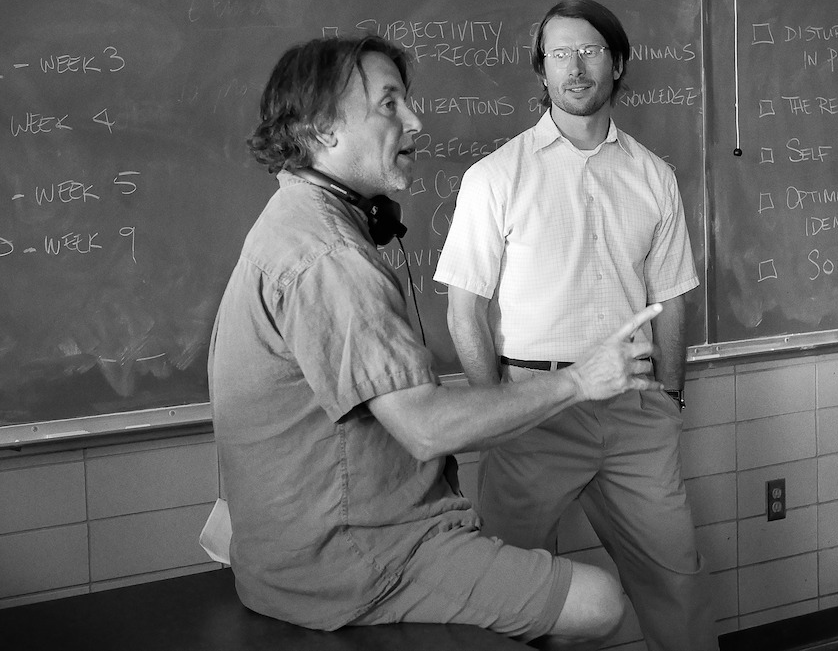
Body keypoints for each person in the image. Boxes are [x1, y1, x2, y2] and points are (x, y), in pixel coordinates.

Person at [208, 33, 667, 650]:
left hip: (309, 547)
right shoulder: (329, 256)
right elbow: (424, 429)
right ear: (321, 129)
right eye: (389, 104)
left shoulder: (299, 221)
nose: (415, 121)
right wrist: (581, 380)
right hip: (352, 557)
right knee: (601, 602)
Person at [434, 0, 719, 651]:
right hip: (535, 409)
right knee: (507, 595)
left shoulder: (654, 176)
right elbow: (464, 308)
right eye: (559, 53)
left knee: (677, 581)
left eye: (589, 50)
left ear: (616, 63)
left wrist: (670, 400)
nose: (575, 66)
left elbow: (672, 298)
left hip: (634, 410)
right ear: (542, 69)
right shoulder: (496, 177)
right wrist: (498, 412)